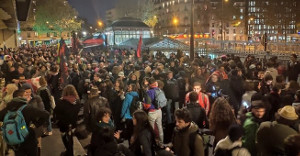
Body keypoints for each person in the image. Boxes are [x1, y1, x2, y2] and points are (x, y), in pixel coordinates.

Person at [0, 89, 49, 156]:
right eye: (25, 95)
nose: (28, 96)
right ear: (20, 97)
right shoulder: (28, 108)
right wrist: (35, 125)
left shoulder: (8, 109)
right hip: (29, 138)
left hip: (15, 139)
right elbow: (46, 114)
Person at [54, 85, 82, 156]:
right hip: (73, 123)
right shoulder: (78, 101)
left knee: (64, 137)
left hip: (63, 124)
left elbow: (56, 112)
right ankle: (70, 151)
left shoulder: (61, 102)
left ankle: (68, 151)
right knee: (71, 137)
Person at [143, 78, 164, 144]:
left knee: (151, 129)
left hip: (152, 112)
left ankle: (153, 143)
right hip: (159, 110)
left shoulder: (149, 92)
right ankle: (161, 142)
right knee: (160, 127)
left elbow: (148, 105)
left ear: (149, 84)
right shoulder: (160, 90)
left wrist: (143, 104)